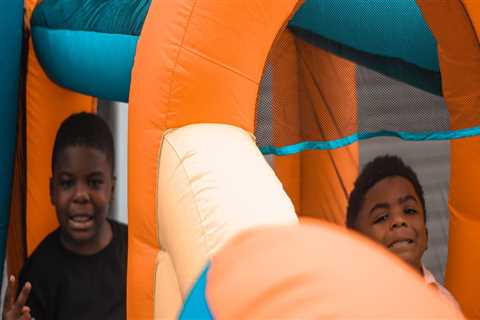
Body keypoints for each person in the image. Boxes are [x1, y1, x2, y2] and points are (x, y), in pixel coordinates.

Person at [3, 112, 127, 320]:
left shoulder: (134, 253)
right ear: (52, 191)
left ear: (111, 190)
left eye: (94, 182)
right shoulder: (38, 275)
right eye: (67, 183)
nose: (80, 196)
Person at [346, 155, 460, 309]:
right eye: (382, 217)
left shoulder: (446, 304)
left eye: (409, 210)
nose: (399, 220)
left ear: (426, 234)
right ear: (357, 244)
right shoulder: (349, 306)